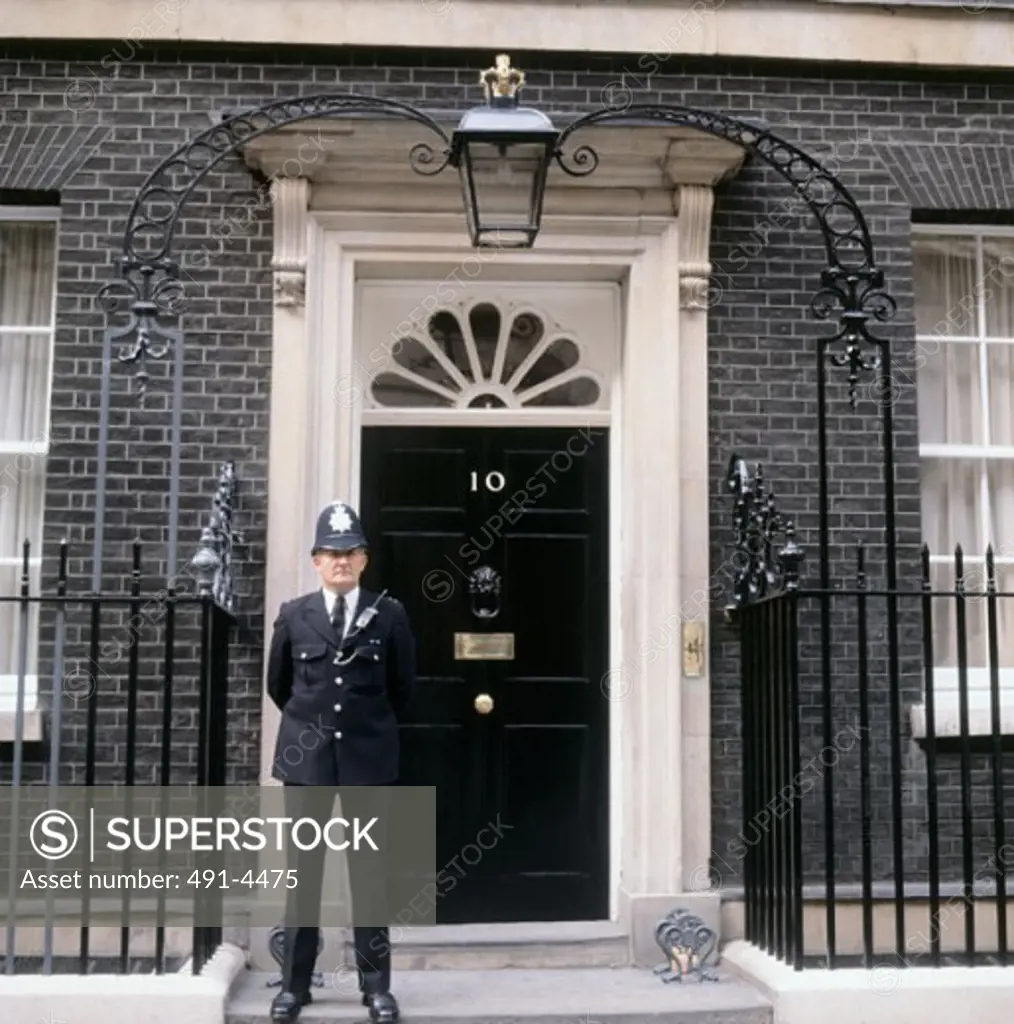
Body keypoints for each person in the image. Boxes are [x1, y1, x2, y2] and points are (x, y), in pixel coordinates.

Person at [266, 500, 416, 1023]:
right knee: (302, 876)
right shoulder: (293, 615)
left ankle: (376, 989)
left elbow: (403, 689)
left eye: (351, 552)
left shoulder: (390, 616)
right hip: (306, 764)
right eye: (331, 552)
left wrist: (362, 731)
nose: (341, 562)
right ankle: (294, 987)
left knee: (370, 875)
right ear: (315, 559)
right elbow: (279, 687)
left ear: (365, 559)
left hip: (367, 763)